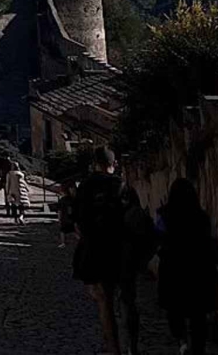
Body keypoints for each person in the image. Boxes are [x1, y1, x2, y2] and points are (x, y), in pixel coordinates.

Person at [156, 177, 218, 355]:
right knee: (198, 317)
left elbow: (157, 240)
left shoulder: (164, 216)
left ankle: (183, 342)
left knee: (175, 311)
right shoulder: (202, 218)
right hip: (199, 273)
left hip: (174, 273)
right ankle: (195, 348)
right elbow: (214, 246)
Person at [74, 147, 125, 355]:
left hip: (95, 249)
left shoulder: (85, 186)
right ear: (114, 164)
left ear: (94, 164)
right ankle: (131, 345)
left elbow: (77, 222)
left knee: (104, 301)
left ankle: (113, 347)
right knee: (127, 299)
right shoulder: (119, 184)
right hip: (120, 248)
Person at [117, 184, 158, 355]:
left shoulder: (122, 214)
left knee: (126, 305)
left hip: (124, 264)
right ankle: (131, 345)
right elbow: (152, 240)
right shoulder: (138, 214)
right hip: (132, 265)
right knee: (130, 304)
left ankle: (128, 344)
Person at [57, 181, 78, 248]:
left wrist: (59, 219)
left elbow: (59, 211)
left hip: (64, 218)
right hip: (70, 217)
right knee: (73, 231)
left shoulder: (62, 200)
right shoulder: (72, 199)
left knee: (62, 231)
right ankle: (79, 239)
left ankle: (63, 243)